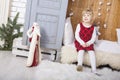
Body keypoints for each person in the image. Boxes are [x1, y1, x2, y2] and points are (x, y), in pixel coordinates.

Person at [74, 8, 97, 73]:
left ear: (91, 18)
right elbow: (76, 35)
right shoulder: (79, 25)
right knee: (81, 51)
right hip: (80, 42)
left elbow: (93, 38)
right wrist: (81, 42)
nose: (85, 17)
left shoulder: (93, 28)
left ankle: (94, 69)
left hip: (88, 43)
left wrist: (89, 43)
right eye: (84, 15)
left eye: (88, 15)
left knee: (92, 53)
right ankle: (79, 65)